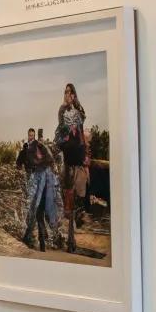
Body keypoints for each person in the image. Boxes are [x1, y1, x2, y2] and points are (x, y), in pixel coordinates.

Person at [54, 84, 89, 255]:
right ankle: (70, 238)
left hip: (78, 157)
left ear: (74, 95)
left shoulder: (80, 111)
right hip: (68, 158)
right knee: (68, 200)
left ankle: (73, 232)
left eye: (70, 92)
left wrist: (86, 155)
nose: (67, 95)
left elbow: (81, 134)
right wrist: (64, 137)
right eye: (65, 92)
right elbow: (59, 132)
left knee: (79, 196)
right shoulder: (62, 110)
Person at [17, 130, 55, 252]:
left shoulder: (34, 149)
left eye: (32, 136)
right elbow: (19, 164)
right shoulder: (30, 149)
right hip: (40, 180)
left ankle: (33, 237)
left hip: (37, 181)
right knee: (39, 211)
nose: (31, 138)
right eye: (30, 136)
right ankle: (42, 238)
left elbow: (19, 165)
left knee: (35, 209)